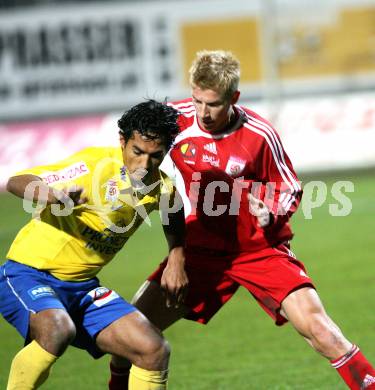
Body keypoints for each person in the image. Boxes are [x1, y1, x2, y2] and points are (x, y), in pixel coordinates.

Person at [108, 51, 375, 390]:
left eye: (214, 104)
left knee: (321, 331)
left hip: (257, 250)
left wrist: (271, 211)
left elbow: (289, 186)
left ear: (234, 97)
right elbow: (133, 145)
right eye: (198, 100)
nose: (203, 112)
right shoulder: (176, 119)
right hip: (200, 250)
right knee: (128, 333)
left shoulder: (259, 135)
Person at [0, 99, 187, 390]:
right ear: (122, 140)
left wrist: (176, 257)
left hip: (82, 289)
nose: (144, 165)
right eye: (137, 152)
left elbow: (174, 213)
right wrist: (52, 196)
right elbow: (16, 181)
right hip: (27, 275)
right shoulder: (94, 165)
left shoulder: (162, 187)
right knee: (57, 330)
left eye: (155, 156)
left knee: (153, 349)